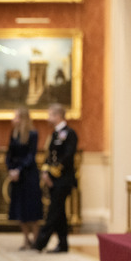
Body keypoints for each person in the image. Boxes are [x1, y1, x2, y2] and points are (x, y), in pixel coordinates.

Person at [34, 103, 78, 253]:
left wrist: (52, 172)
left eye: (50, 114)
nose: (48, 118)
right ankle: (63, 244)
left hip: (63, 179)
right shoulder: (53, 134)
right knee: (59, 213)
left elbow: (68, 156)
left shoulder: (70, 133)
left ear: (58, 116)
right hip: (52, 179)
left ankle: (40, 242)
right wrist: (45, 172)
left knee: (54, 211)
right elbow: (49, 155)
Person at [6, 106, 43, 250]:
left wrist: (19, 170)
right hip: (17, 176)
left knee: (32, 209)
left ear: (22, 118)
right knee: (20, 209)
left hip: (29, 175)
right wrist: (11, 169)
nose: (13, 119)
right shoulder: (14, 133)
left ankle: (36, 239)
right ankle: (26, 239)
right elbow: (9, 154)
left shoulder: (33, 133)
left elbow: (31, 156)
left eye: (15, 116)